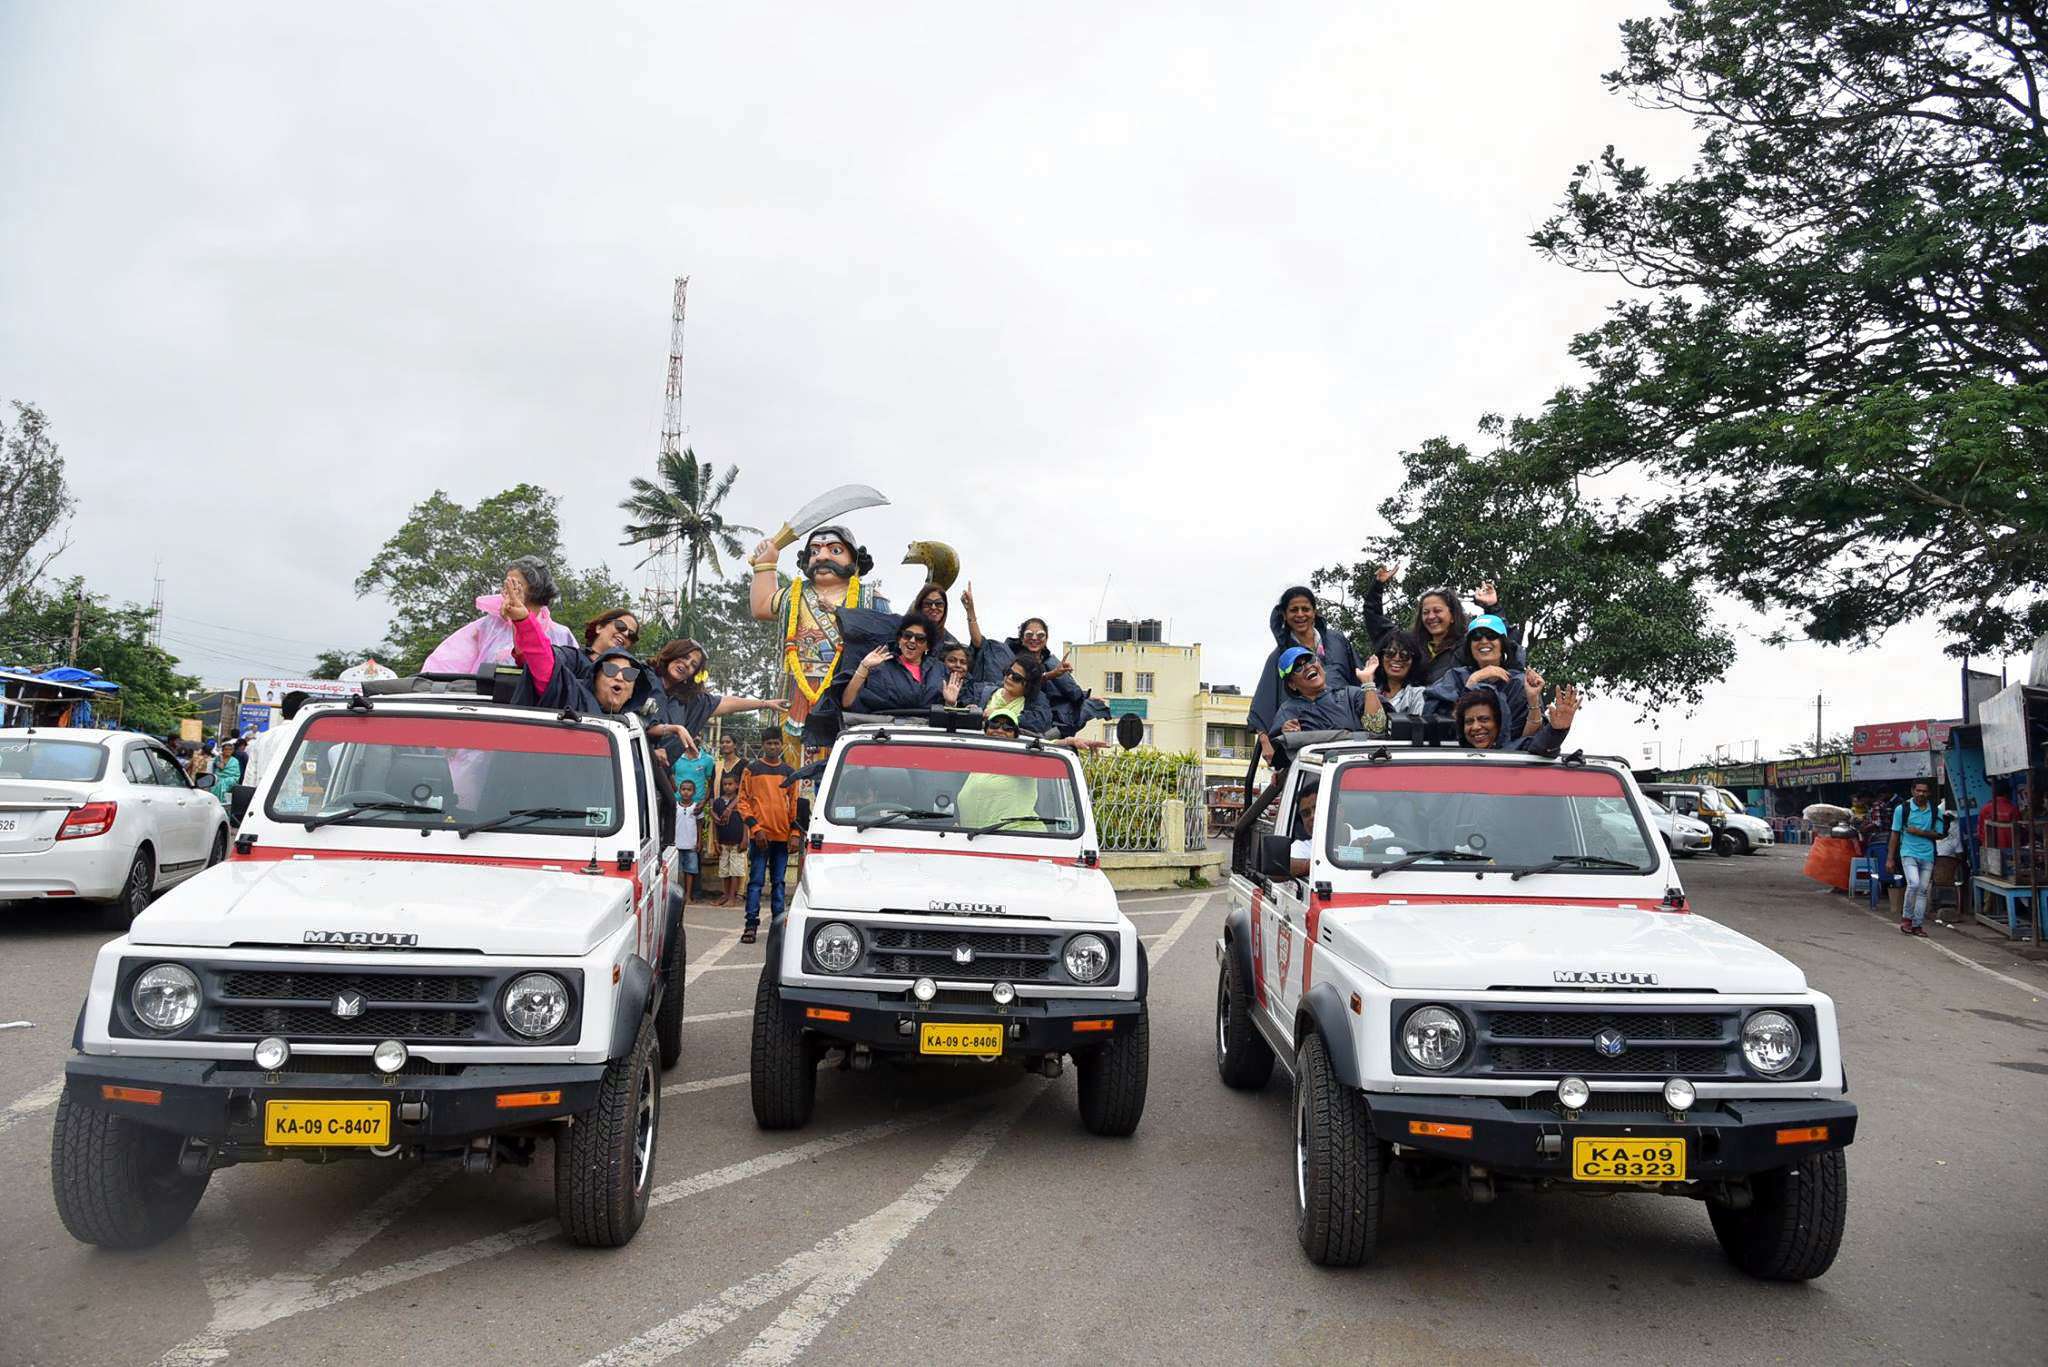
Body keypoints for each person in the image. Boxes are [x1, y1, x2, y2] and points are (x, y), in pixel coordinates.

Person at [751, 524, 875, 761]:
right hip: (800, 689)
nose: (823, 556)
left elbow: (891, 633)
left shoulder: (868, 597)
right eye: (815, 551)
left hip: (848, 688)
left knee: (845, 748)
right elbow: (761, 607)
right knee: (798, 751)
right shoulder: (793, 595)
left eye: (835, 550)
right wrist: (765, 565)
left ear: (854, 558)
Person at [1247, 586, 1363, 754]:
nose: (1300, 615)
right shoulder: (1280, 657)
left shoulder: (1337, 641)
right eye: (1294, 610)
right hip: (1306, 746)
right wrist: (1266, 743)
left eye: (1305, 609)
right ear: (1285, 616)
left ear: (1314, 612)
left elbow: (1360, 680)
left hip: (1347, 740)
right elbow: (1263, 703)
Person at [645, 637, 788, 768]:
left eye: (693, 665)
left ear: (693, 674)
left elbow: (727, 703)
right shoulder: (643, 679)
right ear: (672, 655)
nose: (686, 664)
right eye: (684, 657)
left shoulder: (688, 701)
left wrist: (765, 703)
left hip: (653, 773)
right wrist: (652, 750)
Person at [422, 557, 576, 674]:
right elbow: (446, 663)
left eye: (515, 585)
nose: (507, 590)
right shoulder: (489, 625)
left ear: (535, 588)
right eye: (505, 585)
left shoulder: (561, 634)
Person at [1361, 564, 1504, 686]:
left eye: (1437, 611)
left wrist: (1492, 606)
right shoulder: (1410, 643)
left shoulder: (1465, 645)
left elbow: (1497, 638)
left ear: (1453, 615)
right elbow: (1375, 620)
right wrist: (1377, 586)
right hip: (1411, 712)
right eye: (1426, 612)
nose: (1431, 617)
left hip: (1449, 712)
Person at [1424, 615, 1540, 739]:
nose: (1484, 641)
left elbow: (1530, 738)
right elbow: (1435, 722)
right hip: (1458, 754)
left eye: (1491, 635)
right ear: (1469, 646)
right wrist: (1473, 681)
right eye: (1476, 637)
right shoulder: (1454, 677)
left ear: (1503, 644)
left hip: (1507, 756)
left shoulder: (1519, 683)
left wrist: (1533, 700)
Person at [737, 733, 799, 943]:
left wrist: (796, 834)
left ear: (781, 745)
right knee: (755, 881)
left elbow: (795, 805)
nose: (773, 746)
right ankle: (751, 925)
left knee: (779, 882)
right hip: (760, 837)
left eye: (776, 743)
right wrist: (755, 828)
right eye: (769, 743)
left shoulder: (790, 772)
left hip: (782, 836)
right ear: (763, 745)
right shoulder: (751, 769)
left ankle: (778, 926)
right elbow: (742, 801)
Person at [1268, 647, 1387, 741]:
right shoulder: (1288, 710)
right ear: (1292, 684)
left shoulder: (1351, 695)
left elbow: (1376, 729)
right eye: (1298, 667)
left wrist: (1368, 683)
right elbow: (1280, 751)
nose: (1308, 666)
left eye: (1310, 660)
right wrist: (1288, 734)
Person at [840, 614, 946, 714]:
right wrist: (863, 667)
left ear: (927, 646)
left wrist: (951, 703)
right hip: (886, 730)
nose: (912, 640)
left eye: (920, 638)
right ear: (899, 639)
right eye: (907, 635)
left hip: (926, 731)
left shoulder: (940, 670)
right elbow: (847, 702)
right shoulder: (879, 666)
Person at [1453, 684, 1577, 755]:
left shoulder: (1514, 751)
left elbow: (1541, 745)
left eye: (1484, 719)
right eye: (1469, 722)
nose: (1475, 727)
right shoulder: (1449, 758)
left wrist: (1558, 730)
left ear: (1498, 723)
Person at [1892, 779, 1940, 937]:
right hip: (1908, 852)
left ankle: (1917, 925)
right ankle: (1907, 918)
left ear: (1929, 793)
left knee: (1923, 891)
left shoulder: (1934, 810)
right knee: (1914, 884)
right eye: (1918, 790)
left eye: (1924, 791)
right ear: (1912, 791)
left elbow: (1939, 834)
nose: (1921, 794)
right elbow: (1895, 833)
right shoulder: (1902, 809)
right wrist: (1889, 858)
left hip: (1928, 855)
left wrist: (1920, 832)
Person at [1369, 629, 1429, 719]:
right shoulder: (1371, 690)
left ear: (1414, 661)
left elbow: (1417, 730)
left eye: (1404, 655)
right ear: (1381, 658)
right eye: (1390, 653)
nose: (1397, 658)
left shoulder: (1418, 694)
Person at [710, 772, 747, 906]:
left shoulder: (740, 802)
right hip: (723, 842)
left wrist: (745, 839)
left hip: (737, 843)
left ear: (737, 785)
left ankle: (732, 897)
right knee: (724, 871)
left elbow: (745, 821)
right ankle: (725, 895)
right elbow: (715, 824)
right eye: (725, 784)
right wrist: (715, 841)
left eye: (730, 784)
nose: (727, 787)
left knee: (735, 871)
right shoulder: (718, 802)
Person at [673, 777, 702, 895]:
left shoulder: (697, 807)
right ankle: (678, 896)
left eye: (689, 790)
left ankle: (688, 895)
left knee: (690, 871)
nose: (686, 792)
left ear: (694, 792)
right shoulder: (675, 806)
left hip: (691, 845)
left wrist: (699, 841)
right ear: (679, 791)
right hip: (677, 845)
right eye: (683, 789)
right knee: (677, 872)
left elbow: (700, 824)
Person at [1980, 779, 2019, 850]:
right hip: (2009, 850)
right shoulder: (2012, 809)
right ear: (2006, 793)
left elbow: (1980, 831)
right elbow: (2019, 832)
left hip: (1990, 850)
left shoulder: (1985, 808)